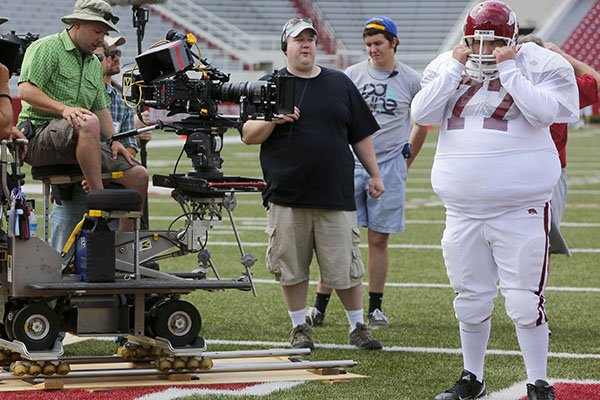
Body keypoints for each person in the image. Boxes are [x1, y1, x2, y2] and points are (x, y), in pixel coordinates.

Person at [410, 2, 579, 399]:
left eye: (495, 42)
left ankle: (539, 382)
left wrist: (509, 69)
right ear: (466, 40)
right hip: (462, 210)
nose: (485, 50)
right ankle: (473, 378)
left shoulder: (537, 62)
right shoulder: (448, 64)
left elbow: (545, 113)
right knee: (469, 300)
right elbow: (422, 112)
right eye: (478, 42)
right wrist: (453, 69)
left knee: (523, 302)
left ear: (513, 40)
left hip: (520, 208)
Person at [241, 17, 385, 350]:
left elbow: (360, 134)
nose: (305, 44)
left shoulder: (340, 83)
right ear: (285, 47)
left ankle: (357, 326)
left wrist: (375, 174)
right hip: (287, 194)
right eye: (298, 39)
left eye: (310, 39)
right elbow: (248, 135)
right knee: (291, 268)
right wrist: (271, 119)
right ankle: (299, 327)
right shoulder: (269, 84)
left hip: (335, 192)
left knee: (346, 267)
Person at [306, 16, 429, 329]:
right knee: (337, 237)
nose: (373, 50)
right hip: (351, 164)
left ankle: (375, 307)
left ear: (393, 43)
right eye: (369, 45)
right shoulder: (352, 75)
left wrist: (406, 159)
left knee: (378, 240)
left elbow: (423, 120)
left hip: (389, 165)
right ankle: (319, 305)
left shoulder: (412, 79)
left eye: (378, 44)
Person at [17, 0, 148, 241]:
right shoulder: (46, 47)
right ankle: (98, 202)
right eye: (97, 31)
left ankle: (125, 247)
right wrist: (64, 109)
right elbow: (25, 91)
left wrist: (115, 140)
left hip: (77, 135)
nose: (101, 39)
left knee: (139, 176)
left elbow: (100, 107)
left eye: (105, 33)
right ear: (77, 24)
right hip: (39, 136)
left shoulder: (92, 63)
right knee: (86, 121)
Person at [49, 38, 141, 255]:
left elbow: (129, 147)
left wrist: (104, 177)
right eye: (105, 55)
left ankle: (125, 258)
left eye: (116, 53)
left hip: (108, 187)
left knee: (107, 255)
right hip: (72, 187)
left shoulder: (119, 100)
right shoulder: (72, 93)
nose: (114, 58)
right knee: (62, 255)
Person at [518, 35, 600, 257]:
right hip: (549, 172)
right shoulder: (561, 84)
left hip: (512, 168)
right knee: (541, 244)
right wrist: (564, 57)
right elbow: (596, 80)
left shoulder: (510, 81)